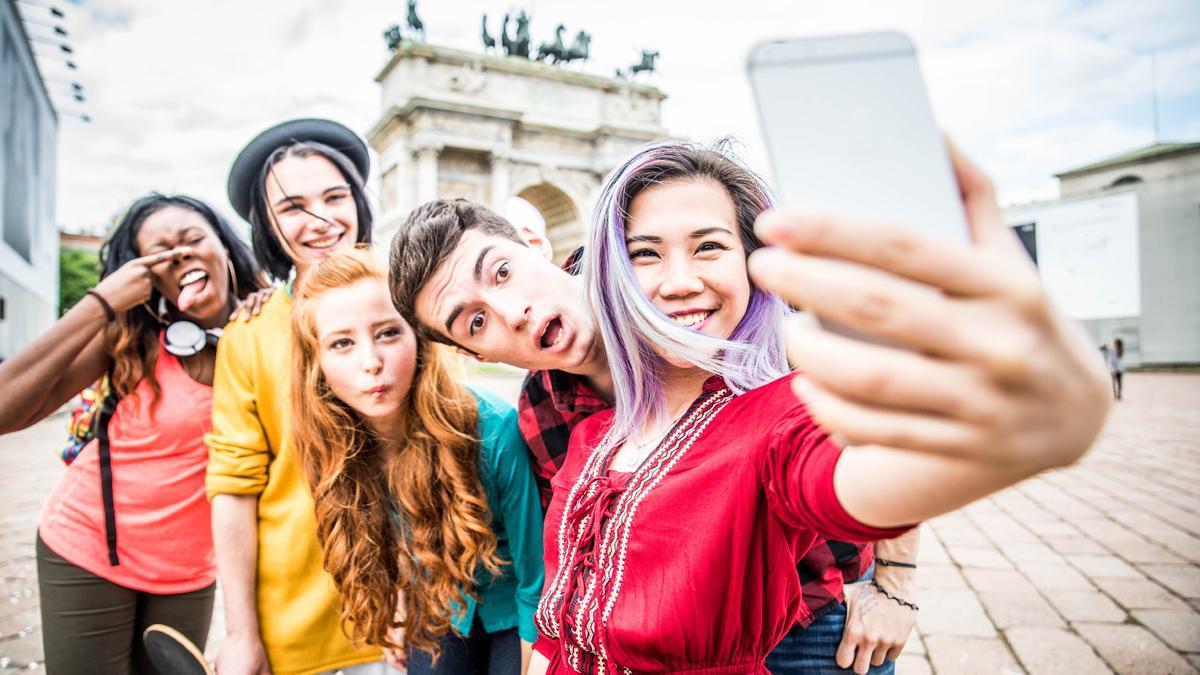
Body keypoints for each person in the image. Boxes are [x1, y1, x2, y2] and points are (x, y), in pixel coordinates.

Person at [512, 139, 1108, 674]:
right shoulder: (593, 432)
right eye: (645, 254)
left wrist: (1024, 427)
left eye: (709, 247)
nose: (678, 281)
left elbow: (864, 483)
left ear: (754, 262)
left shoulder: (781, 417)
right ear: (612, 276)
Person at [390, 203, 918, 673]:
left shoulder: (678, 288)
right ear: (475, 356)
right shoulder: (540, 412)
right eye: (476, 322)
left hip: (819, 615)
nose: (512, 312)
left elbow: (880, 405)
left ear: (536, 245)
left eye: (503, 273)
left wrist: (896, 587)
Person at [0, 193, 266, 674]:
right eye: (159, 254)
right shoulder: (130, 336)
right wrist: (101, 302)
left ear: (225, 246)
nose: (180, 255)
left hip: (189, 570)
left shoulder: (267, 330)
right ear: (145, 277)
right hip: (87, 549)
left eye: (191, 240)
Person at [290, 247, 545, 674]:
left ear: (420, 337)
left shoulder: (493, 430)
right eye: (342, 343)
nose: (371, 363)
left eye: (388, 333)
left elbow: (535, 576)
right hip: (441, 603)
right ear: (316, 363)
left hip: (515, 610)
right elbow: (395, 538)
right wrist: (400, 607)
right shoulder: (333, 445)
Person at [205, 118, 386, 675]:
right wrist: (240, 634)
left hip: (424, 619)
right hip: (296, 631)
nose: (320, 219)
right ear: (268, 225)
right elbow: (234, 485)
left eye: (335, 196)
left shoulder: (414, 300)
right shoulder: (249, 332)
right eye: (292, 207)